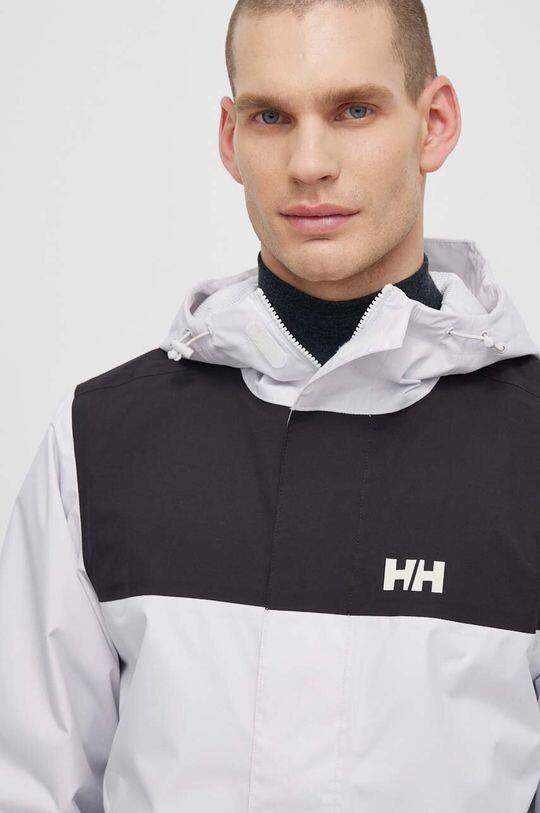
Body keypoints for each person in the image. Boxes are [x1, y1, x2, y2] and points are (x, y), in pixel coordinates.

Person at [1, 0, 539, 810]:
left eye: (354, 110)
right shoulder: (97, 447)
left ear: (434, 124)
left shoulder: (529, 450)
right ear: (230, 138)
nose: (308, 163)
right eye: (271, 117)